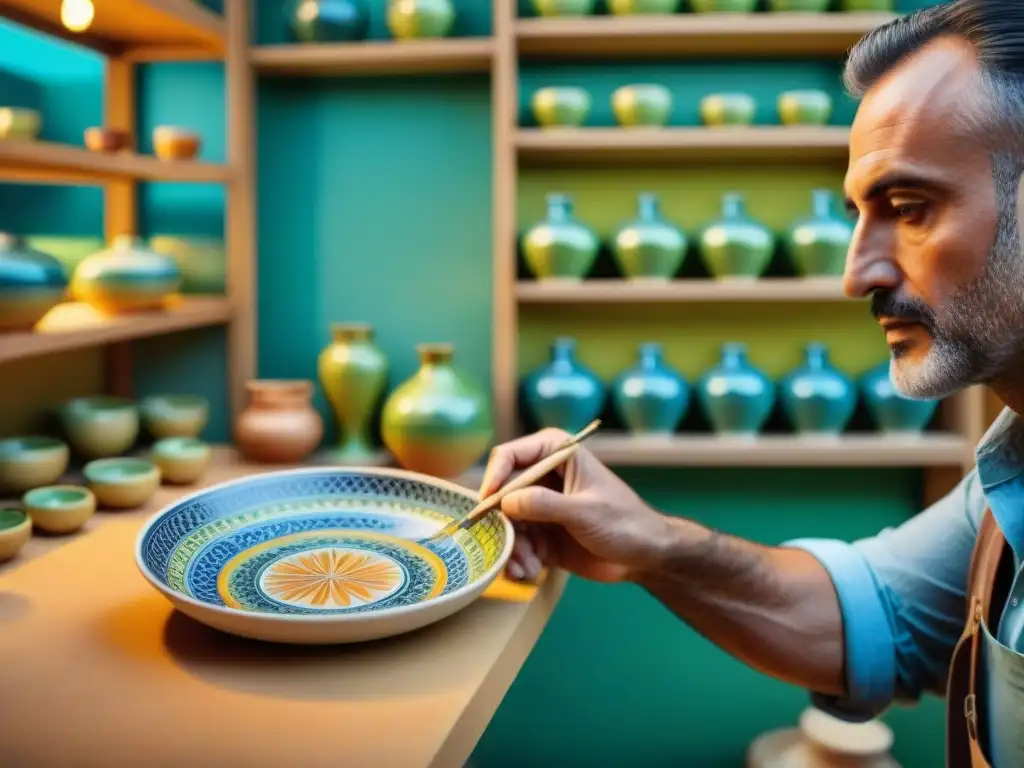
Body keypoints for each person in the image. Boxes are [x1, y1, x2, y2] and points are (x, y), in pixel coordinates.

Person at [479, 2, 1024, 766]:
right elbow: (872, 617)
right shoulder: (1006, 486)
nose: (854, 275)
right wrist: (650, 543)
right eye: (858, 216)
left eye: (908, 209)